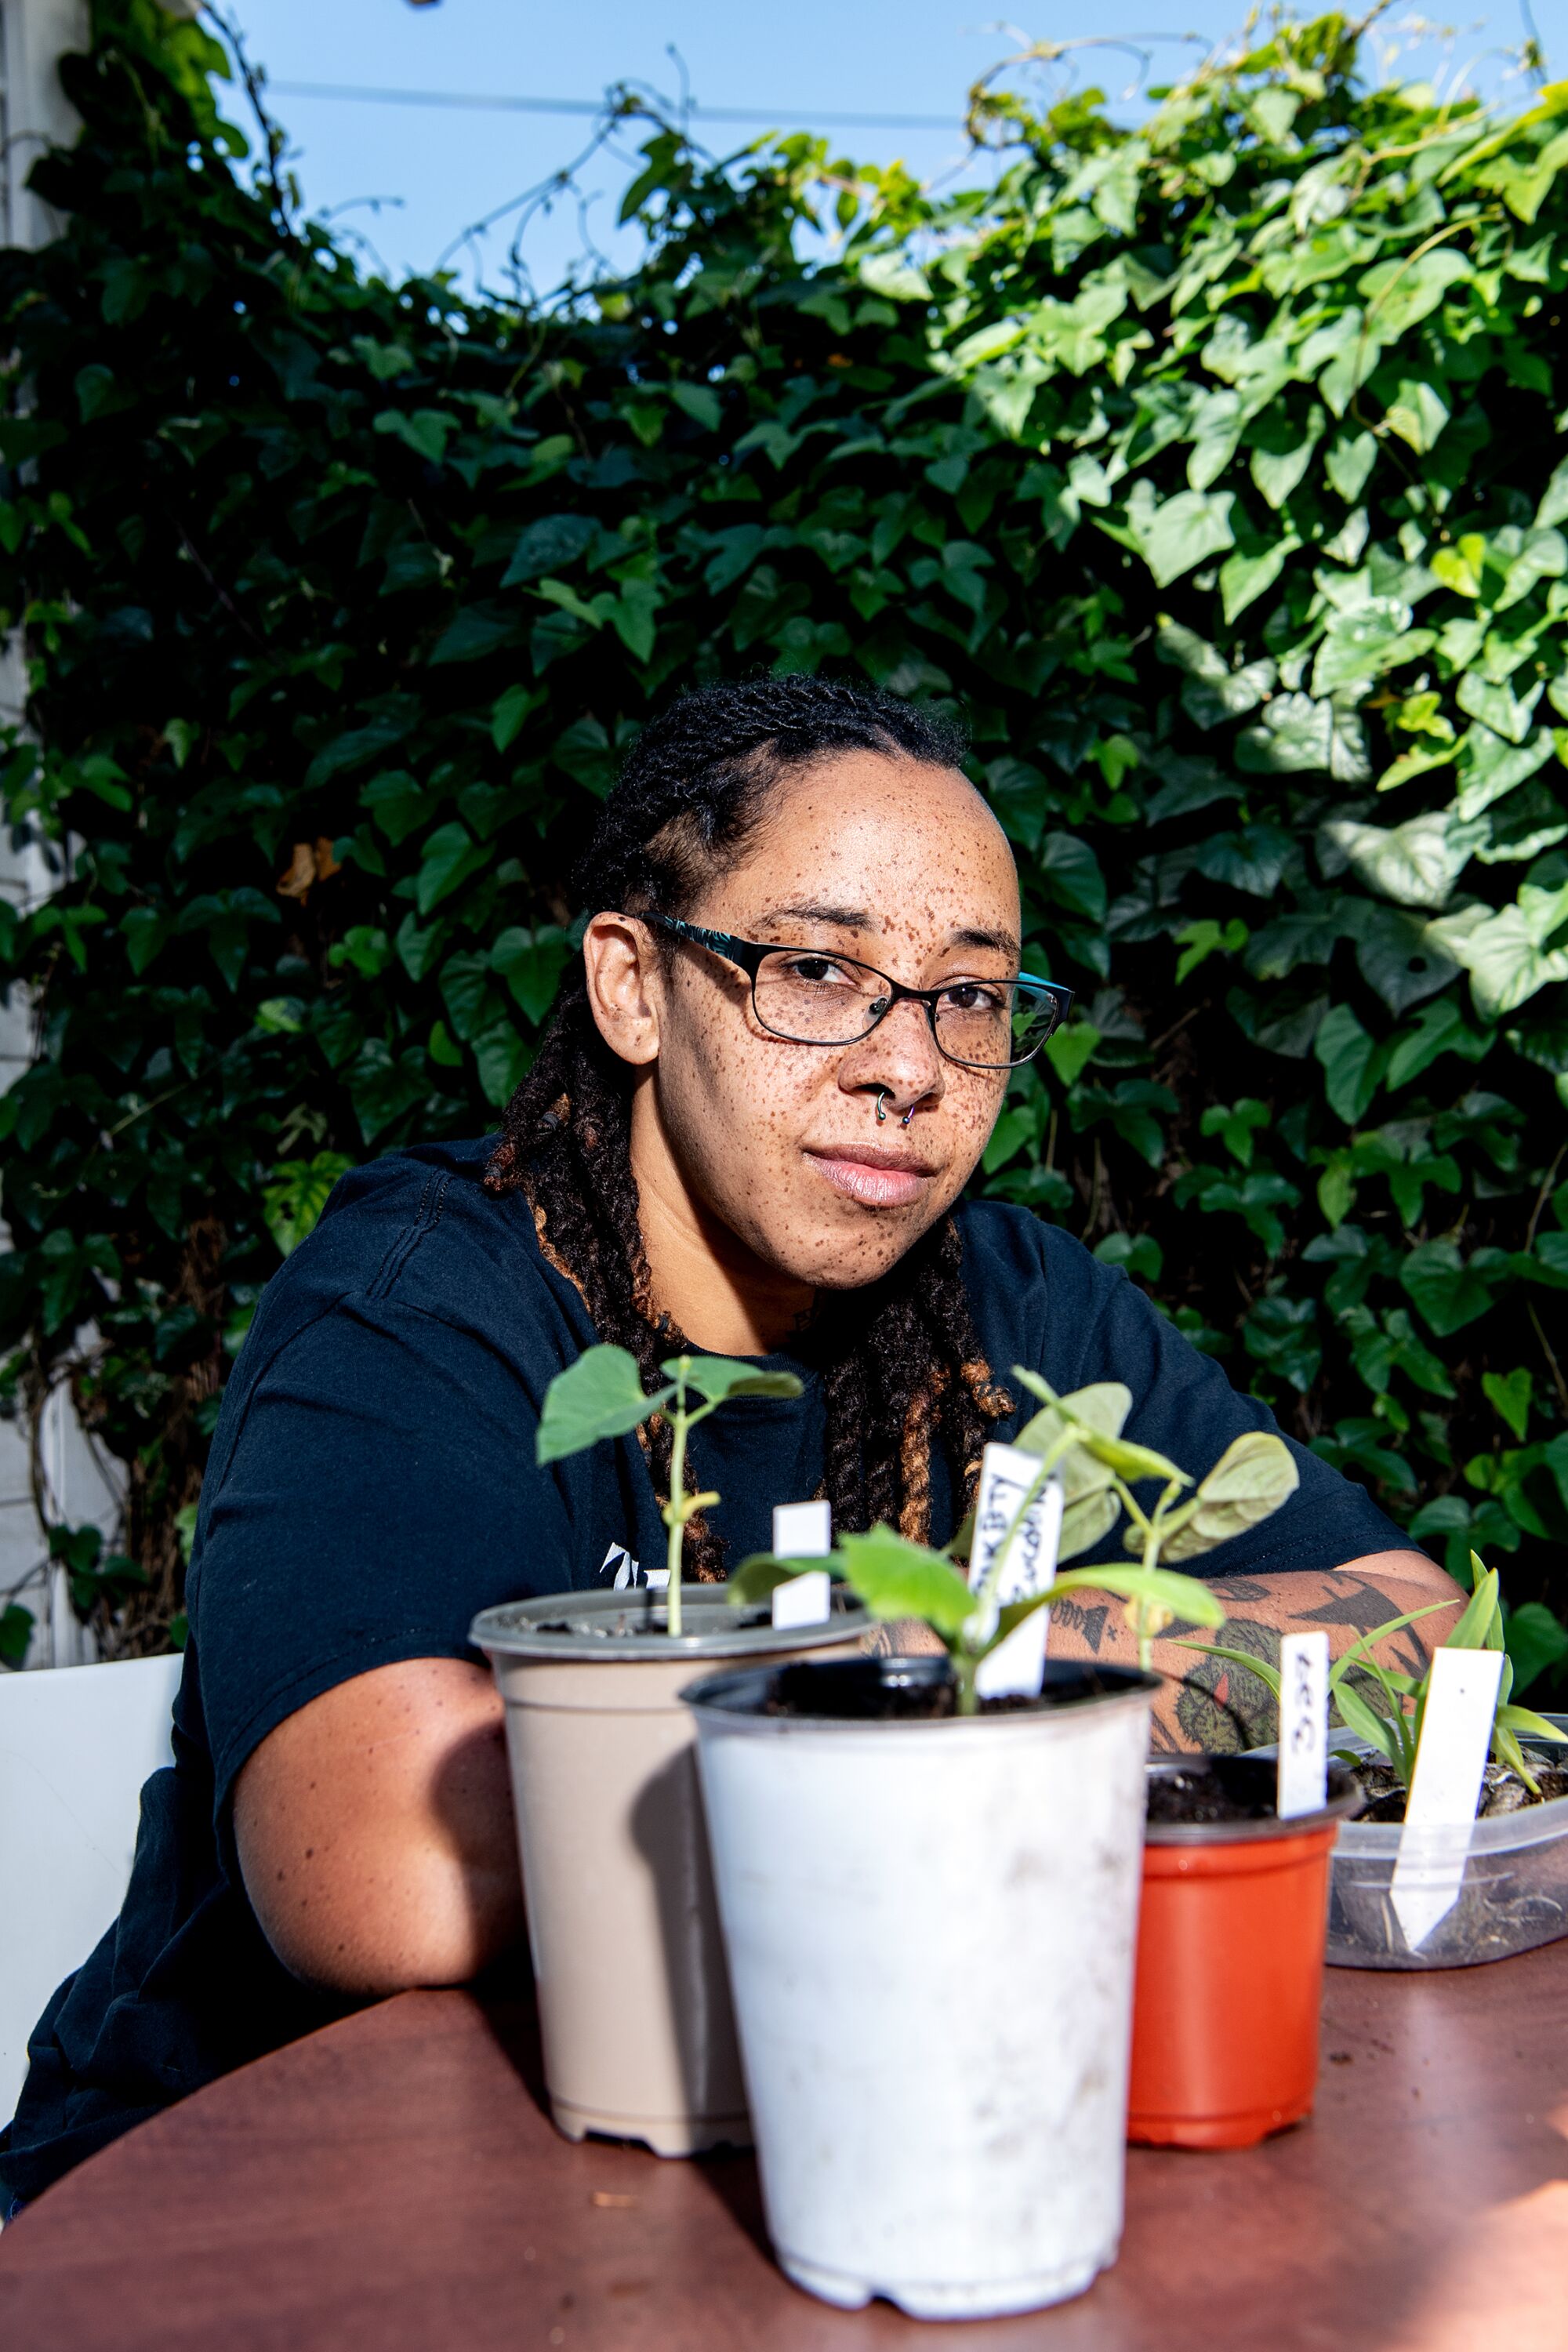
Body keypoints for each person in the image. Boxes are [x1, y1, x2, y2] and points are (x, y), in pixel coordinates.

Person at [0, 675, 1459, 2209]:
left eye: (968, 995)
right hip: (222, 2198)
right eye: (816, 971)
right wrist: (972, 1702)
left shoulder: (1021, 1307)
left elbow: (1408, 1623)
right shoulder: (423, 1307)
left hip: (773, 2160)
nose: (909, 1064)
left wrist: (992, 1653)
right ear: (633, 986)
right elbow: (380, 1867)